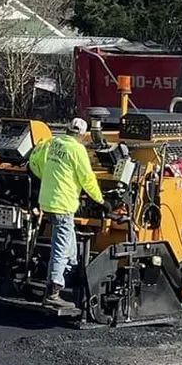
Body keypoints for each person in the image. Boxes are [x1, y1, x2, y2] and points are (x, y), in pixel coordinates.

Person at [28, 117, 104, 304]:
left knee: (69, 243)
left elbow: (35, 161)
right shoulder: (77, 149)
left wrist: (48, 178)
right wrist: (100, 200)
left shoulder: (53, 143)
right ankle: (54, 289)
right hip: (64, 203)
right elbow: (87, 178)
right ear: (83, 134)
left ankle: (72, 272)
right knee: (61, 246)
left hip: (47, 201)